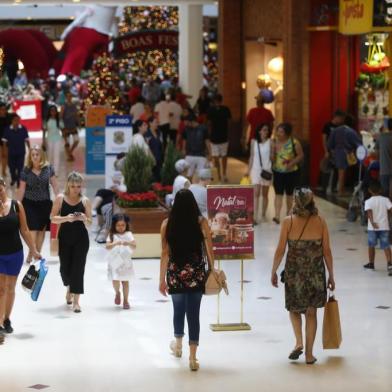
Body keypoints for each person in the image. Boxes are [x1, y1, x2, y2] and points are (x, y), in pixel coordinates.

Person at [271, 187, 335, 364]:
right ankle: (309, 354)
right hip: (316, 275)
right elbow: (327, 251)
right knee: (311, 313)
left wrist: (273, 271)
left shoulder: (288, 222)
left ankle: (298, 341)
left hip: (294, 274)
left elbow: (280, 250)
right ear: (312, 202)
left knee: (294, 309)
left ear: (295, 202)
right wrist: (331, 275)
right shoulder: (321, 222)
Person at [159, 189, 215, 371]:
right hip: (196, 274)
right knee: (193, 313)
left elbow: (165, 253)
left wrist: (161, 279)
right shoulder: (201, 222)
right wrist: (213, 270)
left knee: (178, 310)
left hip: (175, 274)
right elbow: (209, 249)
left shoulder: (167, 224)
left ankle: (178, 345)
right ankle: (193, 357)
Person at [0, 177, 41, 344]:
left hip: (15, 253)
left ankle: (7, 319)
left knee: (11, 288)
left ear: (4, 187)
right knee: (1, 289)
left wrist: (34, 250)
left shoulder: (17, 205)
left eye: (0, 188)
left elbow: (24, 229)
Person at [50, 172, 92, 313]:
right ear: (68, 184)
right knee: (65, 269)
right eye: (73, 186)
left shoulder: (85, 201)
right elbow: (52, 218)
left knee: (78, 269)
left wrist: (84, 218)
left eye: (78, 186)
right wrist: (66, 218)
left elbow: (90, 222)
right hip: (65, 238)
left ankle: (76, 302)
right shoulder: (60, 199)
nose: (75, 189)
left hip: (81, 239)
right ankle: (69, 287)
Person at [17, 145, 58, 263]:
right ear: (30, 157)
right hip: (29, 204)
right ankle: (32, 252)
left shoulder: (49, 168)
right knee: (32, 231)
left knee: (41, 231)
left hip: (45, 204)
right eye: (33, 155)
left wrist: (59, 199)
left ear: (41, 155)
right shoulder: (26, 170)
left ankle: (36, 254)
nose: (35, 157)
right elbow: (22, 189)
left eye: (37, 154)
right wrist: (16, 205)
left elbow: (55, 185)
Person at [271, 123, 304, 224]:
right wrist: (272, 154)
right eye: (278, 131)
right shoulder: (274, 142)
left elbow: (301, 155)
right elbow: (272, 157)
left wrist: (291, 163)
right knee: (278, 193)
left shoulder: (294, 142)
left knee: (289, 194)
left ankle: (288, 214)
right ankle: (277, 215)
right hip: (277, 171)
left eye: (281, 132)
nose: (278, 133)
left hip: (291, 172)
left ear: (287, 133)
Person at [106, 214, 136, 309]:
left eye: (123, 225)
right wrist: (115, 243)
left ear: (126, 225)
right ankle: (117, 292)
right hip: (114, 261)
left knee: (125, 281)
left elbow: (134, 245)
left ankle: (126, 300)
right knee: (115, 280)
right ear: (114, 225)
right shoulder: (112, 235)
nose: (121, 227)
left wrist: (128, 243)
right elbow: (107, 246)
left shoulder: (129, 234)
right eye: (118, 225)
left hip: (125, 261)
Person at [327, 115, 362, 196]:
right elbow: (358, 143)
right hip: (347, 153)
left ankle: (339, 189)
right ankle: (340, 191)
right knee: (342, 173)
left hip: (336, 153)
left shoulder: (335, 130)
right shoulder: (351, 131)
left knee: (340, 172)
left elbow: (329, 144)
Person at [363, 181, 392, 276]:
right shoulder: (386, 200)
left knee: (371, 245)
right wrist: (388, 217)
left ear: (369, 191)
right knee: (386, 246)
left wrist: (372, 222)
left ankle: (371, 263)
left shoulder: (368, 201)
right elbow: (390, 209)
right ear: (381, 190)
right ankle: (390, 264)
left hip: (373, 228)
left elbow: (369, 213)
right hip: (384, 226)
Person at [248, 123, 272, 223]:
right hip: (256, 170)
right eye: (264, 130)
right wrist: (248, 170)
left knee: (265, 194)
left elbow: (272, 156)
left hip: (267, 170)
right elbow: (252, 156)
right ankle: (255, 216)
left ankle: (263, 214)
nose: (265, 132)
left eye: (267, 130)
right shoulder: (253, 142)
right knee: (256, 193)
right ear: (259, 131)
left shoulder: (271, 142)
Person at [207, 94, 232, 183]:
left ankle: (219, 175)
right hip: (223, 136)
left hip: (215, 137)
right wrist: (229, 134)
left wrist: (209, 135)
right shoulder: (226, 109)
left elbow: (209, 124)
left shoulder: (211, 110)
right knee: (223, 157)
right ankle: (223, 174)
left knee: (216, 158)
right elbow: (229, 123)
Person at [1, 113, 30, 187]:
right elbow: (4, 141)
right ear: (12, 121)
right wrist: (4, 150)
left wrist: (30, 149)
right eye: (15, 120)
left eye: (18, 120)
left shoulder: (23, 128)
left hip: (21, 152)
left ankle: (18, 182)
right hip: (11, 152)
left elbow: (27, 140)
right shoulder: (7, 129)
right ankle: (14, 178)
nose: (17, 122)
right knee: (12, 168)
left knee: (20, 168)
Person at [320, 110, 345, 193]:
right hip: (330, 151)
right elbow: (324, 139)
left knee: (336, 169)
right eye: (341, 118)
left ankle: (334, 187)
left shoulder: (341, 127)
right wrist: (326, 151)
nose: (341, 121)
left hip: (338, 151)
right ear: (336, 117)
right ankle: (325, 187)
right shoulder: (327, 126)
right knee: (327, 169)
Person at [182, 113, 210, 179]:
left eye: (187, 122)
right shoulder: (186, 129)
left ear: (192, 121)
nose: (186, 124)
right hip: (189, 154)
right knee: (188, 175)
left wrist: (210, 153)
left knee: (201, 176)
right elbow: (184, 141)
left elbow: (207, 141)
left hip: (201, 155)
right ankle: (189, 188)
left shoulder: (203, 128)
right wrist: (183, 150)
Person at [43, 105, 63, 174]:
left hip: (57, 139)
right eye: (51, 110)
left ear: (56, 112)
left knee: (56, 155)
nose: (53, 112)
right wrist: (43, 141)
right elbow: (44, 131)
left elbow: (62, 128)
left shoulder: (58, 120)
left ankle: (56, 171)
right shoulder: (47, 120)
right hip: (49, 139)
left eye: (54, 110)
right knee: (49, 155)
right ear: (49, 112)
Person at [375, 118, 392, 200]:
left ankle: (387, 211)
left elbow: (377, 154)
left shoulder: (381, 137)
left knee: (385, 193)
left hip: (384, 169)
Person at [61, 92, 80, 162]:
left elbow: (76, 115)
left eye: (70, 96)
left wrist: (79, 123)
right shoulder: (64, 106)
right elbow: (60, 116)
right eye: (68, 96)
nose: (69, 97)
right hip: (66, 127)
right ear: (66, 97)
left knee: (76, 140)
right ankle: (69, 156)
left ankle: (70, 152)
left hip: (73, 126)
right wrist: (62, 127)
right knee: (67, 143)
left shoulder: (74, 106)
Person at [146, 116, 163, 182]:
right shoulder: (147, 133)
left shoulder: (159, 132)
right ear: (150, 123)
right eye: (155, 122)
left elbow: (161, 144)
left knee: (159, 176)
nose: (157, 124)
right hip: (151, 159)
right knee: (152, 177)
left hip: (159, 157)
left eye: (157, 122)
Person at [0, 103, 11, 177]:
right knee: (1, 156)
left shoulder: (8, 118)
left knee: (5, 156)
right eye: (2, 109)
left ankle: (4, 170)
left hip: (6, 140)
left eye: (4, 109)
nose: (3, 110)